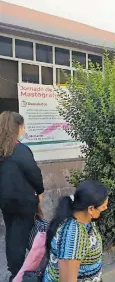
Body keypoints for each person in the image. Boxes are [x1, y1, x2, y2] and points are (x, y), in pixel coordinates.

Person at [0, 111, 44, 281]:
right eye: (22, 126)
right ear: (16, 127)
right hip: (23, 202)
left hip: (5, 202)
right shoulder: (21, 150)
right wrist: (40, 191)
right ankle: (21, 273)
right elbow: (34, 173)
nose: (23, 129)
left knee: (12, 233)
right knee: (24, 235)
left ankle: (15, 269)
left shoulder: (3, 150)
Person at [43, 180, 109, 282]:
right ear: (91, 209)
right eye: (103, 207)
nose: (106, 208)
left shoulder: (83, 218)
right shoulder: (73, 236)